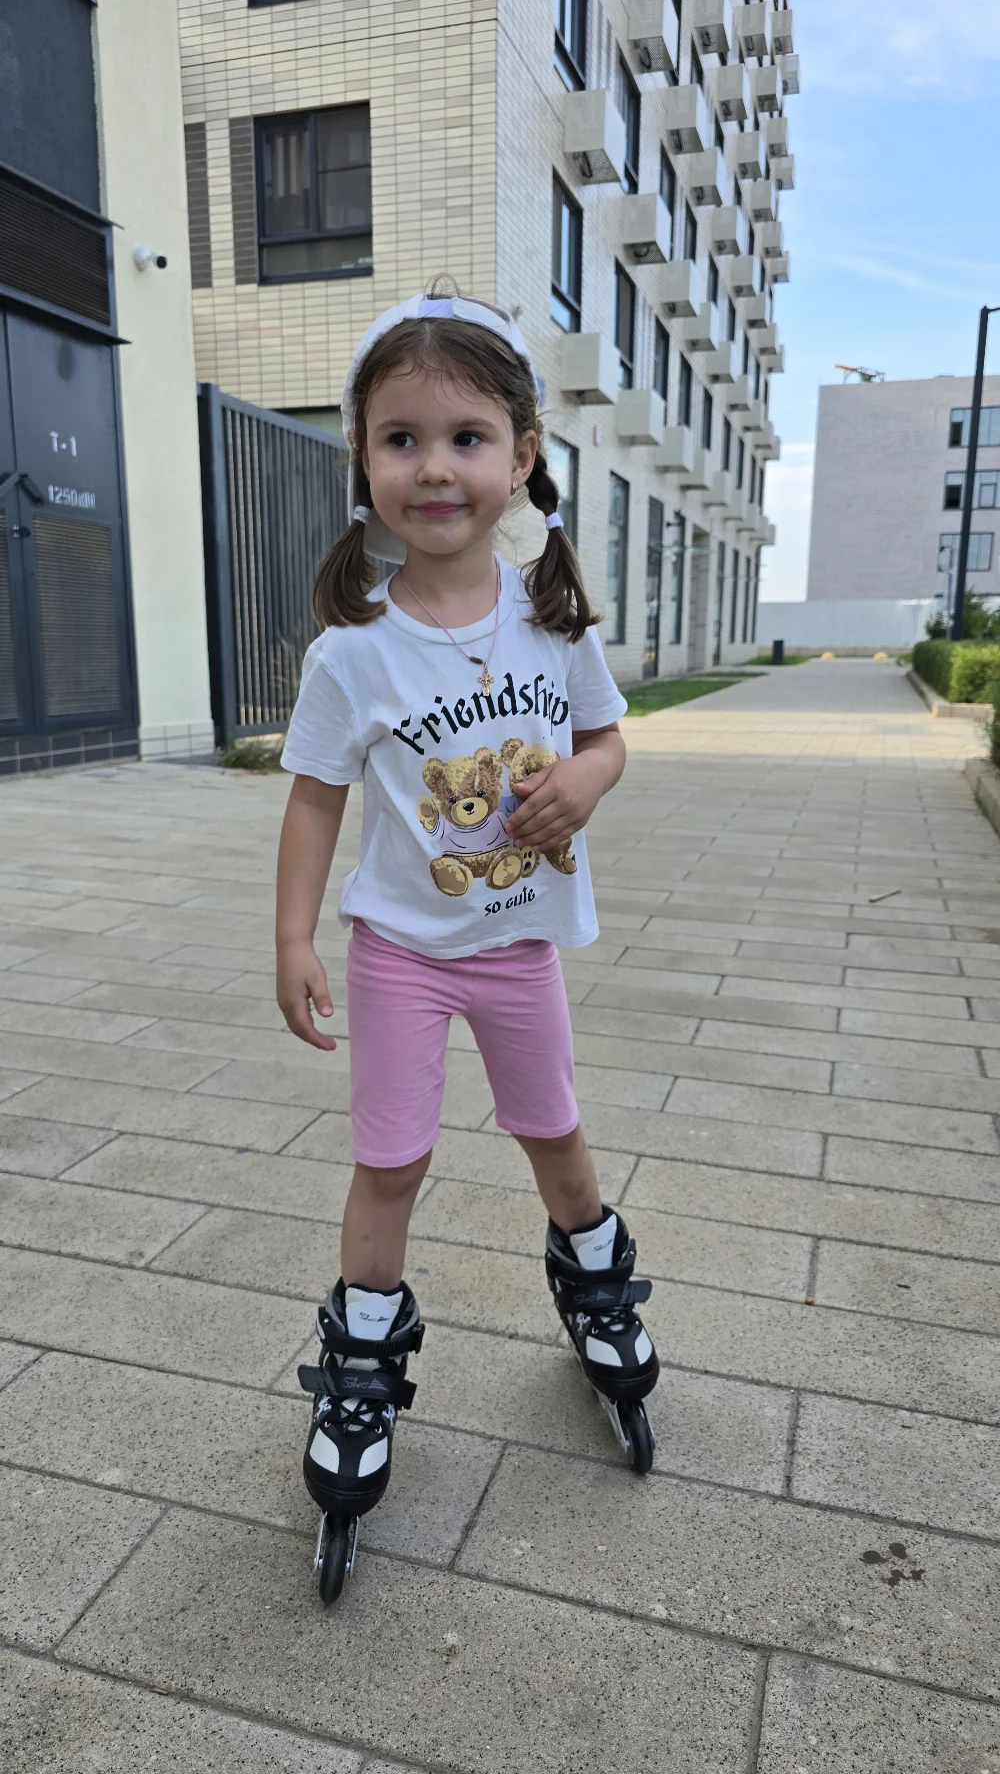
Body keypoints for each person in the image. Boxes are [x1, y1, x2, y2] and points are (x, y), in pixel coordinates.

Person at [275, 292, 659, 1588]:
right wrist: (294, 937)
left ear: (523, 454)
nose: (434, 468)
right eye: (401, 439)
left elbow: (606, 736)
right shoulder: (353, 652)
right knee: (392, 1158)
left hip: (518, 947)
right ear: (363, 461)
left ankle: (594, 1276)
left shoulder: (550, 620)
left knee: (555, 1134)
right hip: (399, 950)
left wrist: (587, 780)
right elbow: (314, 799)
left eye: (466, 438)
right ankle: (361, 1358)